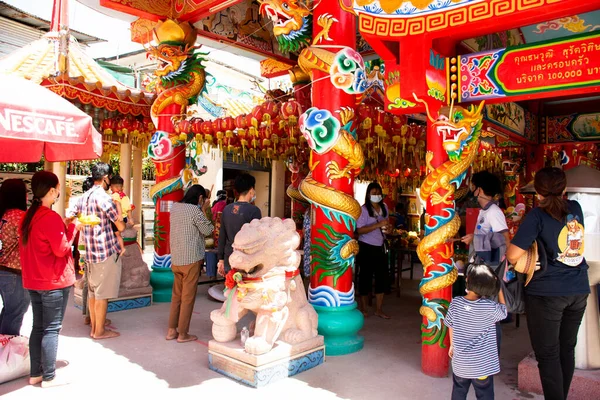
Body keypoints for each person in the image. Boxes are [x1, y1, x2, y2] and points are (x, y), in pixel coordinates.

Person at [507, 167, 589, 400]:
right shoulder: (576, 209)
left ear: (538, 191)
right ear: (563, 188)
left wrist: (532, 262)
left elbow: (513, 255)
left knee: (549, 354)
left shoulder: (537, 215)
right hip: (578, 290)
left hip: (547, 293)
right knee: (566, 349)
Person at [20, 171, 77, 387]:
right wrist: (73, 228)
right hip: (52, 281)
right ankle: (50, 376)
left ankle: (36, 373)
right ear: (52, 190)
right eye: (59, 187)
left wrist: (63, 225)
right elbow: (62, 249)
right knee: (52, 328)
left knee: (38, 327)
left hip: (34, 280)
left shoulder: (28, 216)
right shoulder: (49, 217)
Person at [68, 163, 124, 340]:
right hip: (105, 251)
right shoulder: (104, 198)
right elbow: (120, 225)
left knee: (93, 292)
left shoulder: (83, 197)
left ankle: (95, 326)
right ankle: (99, 331)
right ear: (106, 178)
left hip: (90, 252)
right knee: (102, 295)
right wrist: (119, 207)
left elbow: (69, 216)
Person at [445, 264, 507, 400]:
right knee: (484, 394)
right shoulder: (490, 307)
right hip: (482, 367)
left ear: (467, 280)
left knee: (459, 391)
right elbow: (504, 311)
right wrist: (500, 289)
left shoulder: (455, 303)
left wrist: (452, 345)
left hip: (461, 364)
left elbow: (451, 325)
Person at [166, 185, 213, 343]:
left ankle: (172, 330)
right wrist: (205, 209)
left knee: (176, 296)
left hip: (177, 259)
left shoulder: (175, 208)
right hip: (191, 259)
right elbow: (208, 230)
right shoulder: (195, 211)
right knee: (187, 298)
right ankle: (183, 334)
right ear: (200, 198)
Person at [356, 181, 391, 319]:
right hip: (366, 246)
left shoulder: (385, 208)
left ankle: (379, 309)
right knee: (365, 277)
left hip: (380, 246)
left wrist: (388, 229)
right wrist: (377, 225)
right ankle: (364, 308)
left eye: (378, 193)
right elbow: (360, 230)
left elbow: (387, 224)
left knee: (381, 278)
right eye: (373, 193)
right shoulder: (363, 210)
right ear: (368, 195)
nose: (376, 196)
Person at [461, 171, 510, 265]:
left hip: (490, 267)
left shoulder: (494, 211)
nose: (472, 192)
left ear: (480, 190)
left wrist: (475, 238)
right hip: (482, 264)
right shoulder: (485, 211)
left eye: (474, 188)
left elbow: (504, 239)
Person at [217, 174, 262, 277]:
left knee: (231, 289)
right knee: (244, 290)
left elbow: (222, 236)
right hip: (246, 259)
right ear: (251, 190)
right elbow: (257, 238)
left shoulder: (227, 209)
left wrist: (221, 260)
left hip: (229, 257)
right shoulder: (254, 211)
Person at [0, 179, 28, 335]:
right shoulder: (20, 217)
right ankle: (6, 354)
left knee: (8, 311)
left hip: (3, 269)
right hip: (15, 272)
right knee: (14, 314)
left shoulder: (3, 215)